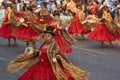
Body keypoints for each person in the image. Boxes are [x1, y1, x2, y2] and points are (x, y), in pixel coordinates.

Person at [7, 26, 89, 80]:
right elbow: (39, 56)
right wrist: (29, 60)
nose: (46, 38)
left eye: (48, 36)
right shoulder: (43, 44)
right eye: (45, 36)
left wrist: (55, 56)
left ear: (52, 37)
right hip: (39, 67)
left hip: (50, 68)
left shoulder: (55, 46)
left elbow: (59, 57)